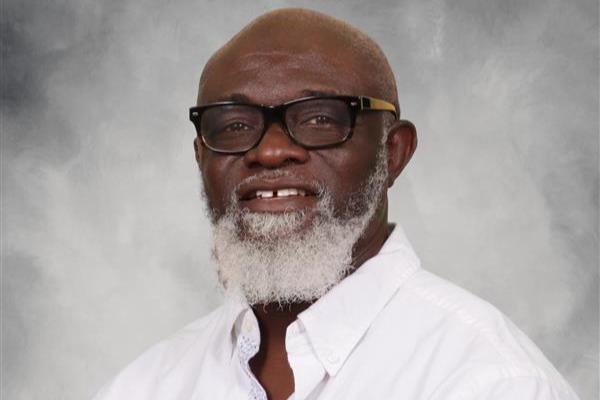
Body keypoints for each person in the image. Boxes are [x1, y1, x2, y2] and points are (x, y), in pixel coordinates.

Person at [94, 8, 580, 400]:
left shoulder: (491, 382)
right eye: (235, 125)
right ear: (201, 156)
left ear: (393, 151)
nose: (269, 151)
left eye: (321, 118)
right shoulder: (144, 386)